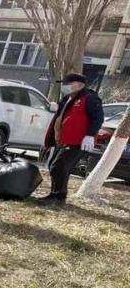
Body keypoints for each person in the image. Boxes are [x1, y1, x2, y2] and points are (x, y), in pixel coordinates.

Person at [38, 73, 104, 205]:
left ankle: (58, 197)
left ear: (80, 85)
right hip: (63, 140)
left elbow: (98, 118)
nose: (65, 86)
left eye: (68, 83)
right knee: (54, 166)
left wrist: (90, 135)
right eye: (64, 83)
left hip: (79, 141)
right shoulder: (68, 98)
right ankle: (56, 194)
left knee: (59, 166)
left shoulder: (89, 98)